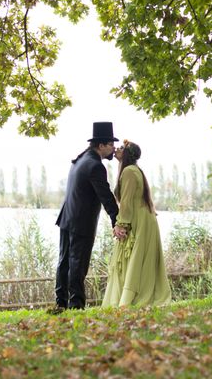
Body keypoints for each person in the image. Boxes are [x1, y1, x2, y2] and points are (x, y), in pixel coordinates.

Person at [54, 122, 123, 310]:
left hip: (66, 218)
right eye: (110, 144)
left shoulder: (81, 159)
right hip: (81, 222)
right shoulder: (95, 165)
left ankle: (61, 303)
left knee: (64, 262)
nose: (113, 148)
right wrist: (116, 221)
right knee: (77, 263)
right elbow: (106, 196)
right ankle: (76, 305)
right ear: (101, 145)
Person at [102, 140, 171, 307]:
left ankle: (131, 297)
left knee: (134, 258)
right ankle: (130, 295)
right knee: (135, 259)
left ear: (126, 154)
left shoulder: (130, 172)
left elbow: (126, 202)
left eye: (121, 148)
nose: (117, 149)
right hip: (141, 218)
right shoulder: (129, 170)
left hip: (139, 220)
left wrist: (121, 224)